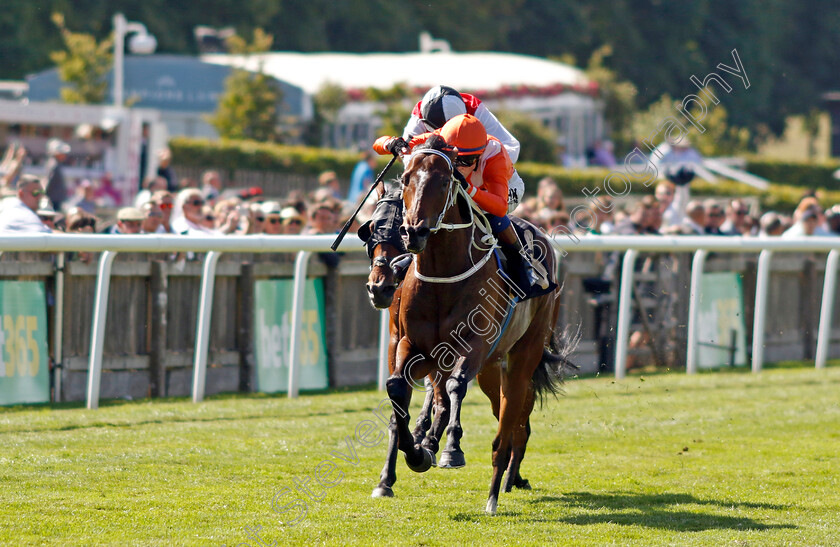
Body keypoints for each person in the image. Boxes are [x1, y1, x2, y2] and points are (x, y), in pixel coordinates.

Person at [373, 113, 541, 296]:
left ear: (481, 153)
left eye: (467, 161)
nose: (459, 166)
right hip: (461, 186)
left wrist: (469, 189)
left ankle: (522, 262)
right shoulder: (436, 139)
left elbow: (499, 206)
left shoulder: (495, 155)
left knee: (490, 216)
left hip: (501, 191)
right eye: (455, 159)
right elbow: (378, 144)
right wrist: (391, 143)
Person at [401, 85, 524, 211]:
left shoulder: (475, 109)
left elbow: (511, 146)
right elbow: (406, 155)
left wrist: (476, 164)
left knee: (484, 215)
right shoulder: (419, 116)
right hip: (450, 181)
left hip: (499, 186)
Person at [45, 138, 71, 211]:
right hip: (54, 201)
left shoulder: (55, 164)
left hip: (56, 200)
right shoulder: (54, 165)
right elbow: (49, 183)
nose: (65, 155)